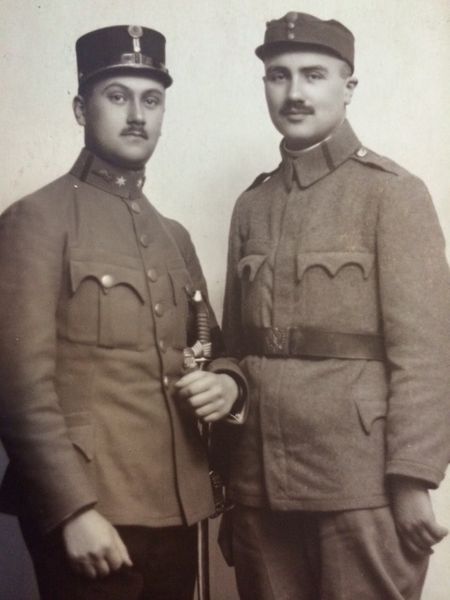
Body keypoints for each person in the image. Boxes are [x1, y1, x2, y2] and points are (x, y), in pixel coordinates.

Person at [0, 24, 245, 600]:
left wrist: (229, 387)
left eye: (151, 100)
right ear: (80, 109)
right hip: (92, 511)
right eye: (117, 96)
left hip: (176, 506)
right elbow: (18, 388)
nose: (137, 115)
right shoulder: (36, 220)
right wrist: (71, 511)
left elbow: (214, 349)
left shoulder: (173, 236)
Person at [220, 11, 450, 600]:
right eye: (279, 75)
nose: (294, 93)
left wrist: (413, 478)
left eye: (314, 75)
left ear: (349, 87)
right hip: (258, 483)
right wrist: (230, 482)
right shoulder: (252, 205)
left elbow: (427, 353)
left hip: (360, 484)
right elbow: (233, 349)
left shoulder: (392, 193)